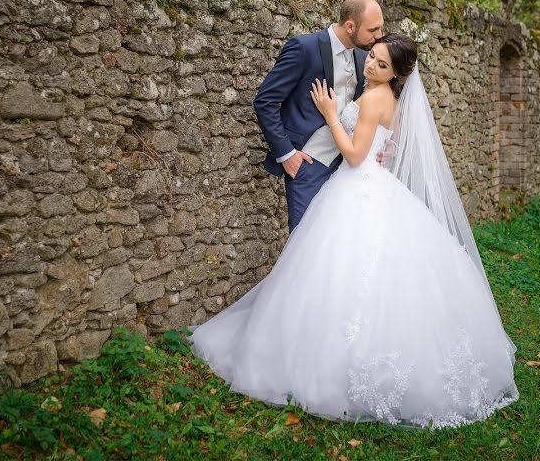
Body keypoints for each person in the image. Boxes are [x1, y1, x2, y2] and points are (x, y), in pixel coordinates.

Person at [189, 33, 519, 429]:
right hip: (372, 186)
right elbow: (385, 147)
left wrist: (330, 112)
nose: (370, 66)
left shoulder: (378, 96)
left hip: (357, 185)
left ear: (396, 74)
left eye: (381, 64)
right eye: (372, 58)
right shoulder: (390, 99)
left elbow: (356, 154)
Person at [253, 0, 384, 232]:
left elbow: (377, 106)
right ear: (350, 26)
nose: (379, 36)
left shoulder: (366, 57)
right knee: (304, 245)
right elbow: (265, 101)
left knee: (338, 245)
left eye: (380, 28)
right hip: (309, 166)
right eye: (373, 29)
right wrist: (287, 153)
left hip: (349, 169)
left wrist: (382, 146)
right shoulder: (304, 48)